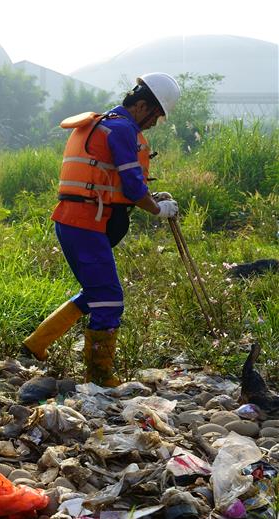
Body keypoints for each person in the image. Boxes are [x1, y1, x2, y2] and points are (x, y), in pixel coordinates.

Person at [21, 73, 182, 386]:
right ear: (141, 106)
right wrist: (158, 209)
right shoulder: (122, 130)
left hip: (72, 221)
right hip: (86, 224)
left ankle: (37, 343)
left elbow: (115, 183)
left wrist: (151, 198)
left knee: (95, 292)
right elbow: (134, 188)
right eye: (156, 116)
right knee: (108, 297)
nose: (154, 123)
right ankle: (99, 376)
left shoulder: (102, 123)